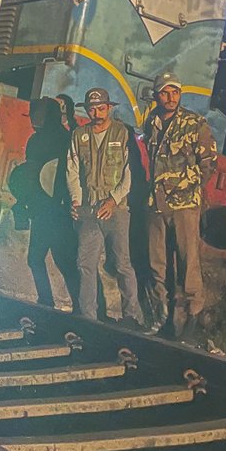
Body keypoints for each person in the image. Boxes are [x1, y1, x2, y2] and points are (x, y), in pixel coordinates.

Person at [143, 70, 218, 341]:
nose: (170, 97)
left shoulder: (194, 124)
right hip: (156, 204)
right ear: (157, 95)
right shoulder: (151, 122)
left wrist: (186, 188)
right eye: (165, 92)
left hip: (185, 204)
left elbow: (208, 164)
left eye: (175, 92)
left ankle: (190, 320)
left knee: (189, 263)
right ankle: (160, 317)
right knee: (157, 262)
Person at [66, 87, 146, 329]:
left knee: (121, 263)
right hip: (89, 208)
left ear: (109, 108)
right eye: (92, 109)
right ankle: (88, 316)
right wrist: (76, 201)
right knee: (85, 263)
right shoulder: (79, 135)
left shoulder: (123, 133)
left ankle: (132, 316)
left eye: (101, 108)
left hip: (117, 209)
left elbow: (130, 172)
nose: (97, 113)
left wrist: (114, 199)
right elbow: (72, 170)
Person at [15, 97, 80, 309]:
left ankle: (51, 302)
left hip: (52, 209)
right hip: (50, 208)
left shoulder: (53, 139)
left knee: (46, 259)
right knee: (62, 261)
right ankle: (78, 305)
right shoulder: (63, 137)